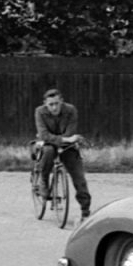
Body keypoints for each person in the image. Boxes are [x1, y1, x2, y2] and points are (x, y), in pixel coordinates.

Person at [34, 89, 91, 219]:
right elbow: (43, 135)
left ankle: (85, 211)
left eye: (56, 104)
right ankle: (44, 180)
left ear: (61, 102)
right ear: (45, 104)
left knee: (79, 178)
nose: (54, 107)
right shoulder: (39, 112)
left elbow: (70, 131)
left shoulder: (71, 110)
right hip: (48, 144)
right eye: (50, 105)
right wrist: (64, 140)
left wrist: (65, 140)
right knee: (48, 152)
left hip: (67, 145)